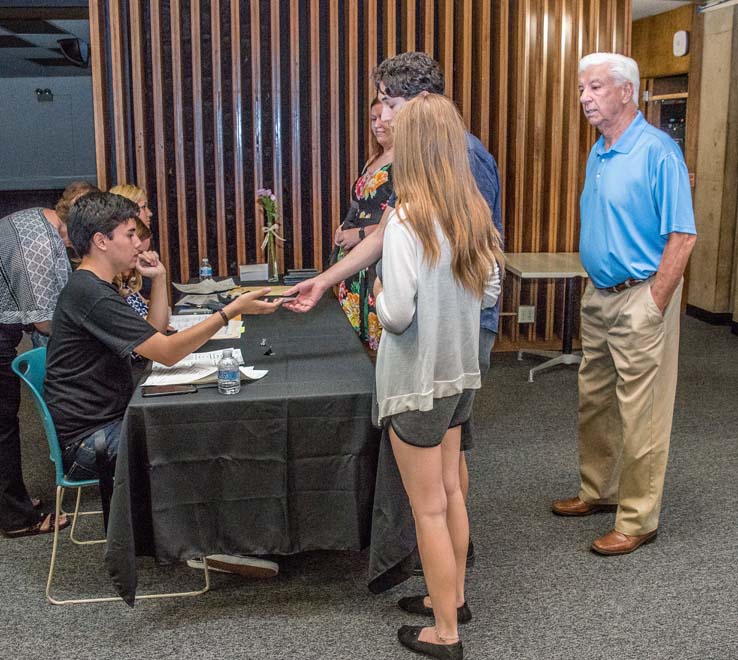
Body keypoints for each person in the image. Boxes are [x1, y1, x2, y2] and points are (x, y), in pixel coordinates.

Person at [284, 52, 504, 562]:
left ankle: (449, 560)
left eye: (390, 102)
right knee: (443, 464)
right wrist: (323, 280)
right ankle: (445, 563)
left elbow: (474, 254)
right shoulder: (421, 156)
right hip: (432, 319)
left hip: (454, 326)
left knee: (447, 463)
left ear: (420, 102)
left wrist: (386, 294)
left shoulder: (457, 157)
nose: (382, 114)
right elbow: (385, 237)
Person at [552, 53, 697, 555]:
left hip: (641, 297)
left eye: (594, 88)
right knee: (595, 402)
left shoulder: (658, 151)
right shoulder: (600, 150)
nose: (585, 98)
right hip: (599, 294)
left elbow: (683, 235)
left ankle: (637, 519)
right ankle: (599, 491)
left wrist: (655, 301)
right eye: (581, 89)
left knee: (643, 412)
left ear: (626, 91)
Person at [375, 94, 502, 660]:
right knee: (452, 493)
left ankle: (445, 631)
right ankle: (451, 597)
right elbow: (492, 291)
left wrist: (378, 297)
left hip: (417, 383)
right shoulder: (472, 211)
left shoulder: (405, 220)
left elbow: (398, 314)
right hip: (460, 378)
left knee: (427, 507)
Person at [44, 192, 283, 484]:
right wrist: (230, 311)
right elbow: (167, 352)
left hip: (109, 419)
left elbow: (153, 335)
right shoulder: (91, 293)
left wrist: (158, 278)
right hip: (91, 440)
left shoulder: (94, 286)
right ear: (101, 241)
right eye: (129, 234)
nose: (137, 243)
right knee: (208, 439)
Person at [0, 181, 97, 538]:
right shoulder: (40, 243)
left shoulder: (35, 219)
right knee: (3, 427)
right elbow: (44, 321)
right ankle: (16, 519)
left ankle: (14, 503)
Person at [334, 97, 394, 352]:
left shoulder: (406, 161)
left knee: (379, 336)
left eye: (382, 117)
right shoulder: (374, 158)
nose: (377, 125)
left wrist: (359, 234)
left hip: (378, 255)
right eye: (373, 119)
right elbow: (360, 204)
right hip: (353, 255)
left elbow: (400, 216)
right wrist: (342, 227)